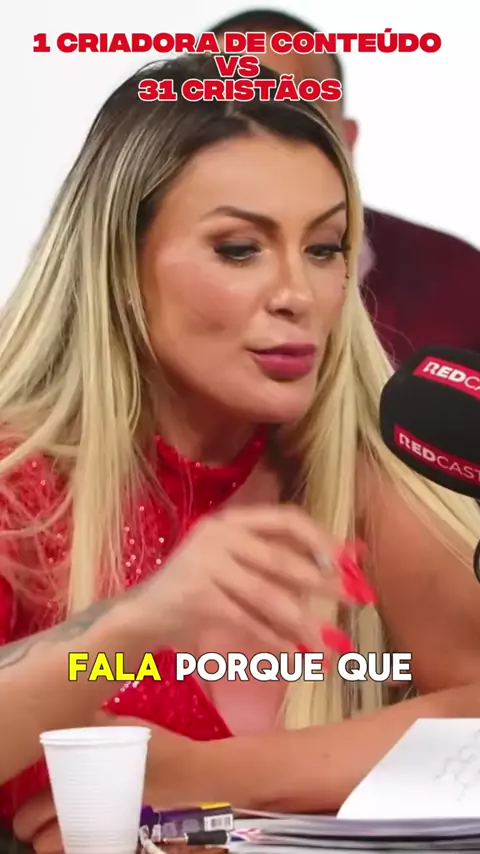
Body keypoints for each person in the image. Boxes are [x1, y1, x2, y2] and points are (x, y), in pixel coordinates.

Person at [3, 53, 480, 853]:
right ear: (121, 260)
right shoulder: (21, 484)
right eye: (238, 248)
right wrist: (131, 624)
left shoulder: (364, 464)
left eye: (324, 248)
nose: (296, 294)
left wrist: (212, 777)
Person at [210, 8, 480, 364]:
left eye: (300, 118)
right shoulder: (144, 271)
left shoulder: (461, 281)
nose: (265, 142)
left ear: (347, 140)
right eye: (233, 116)